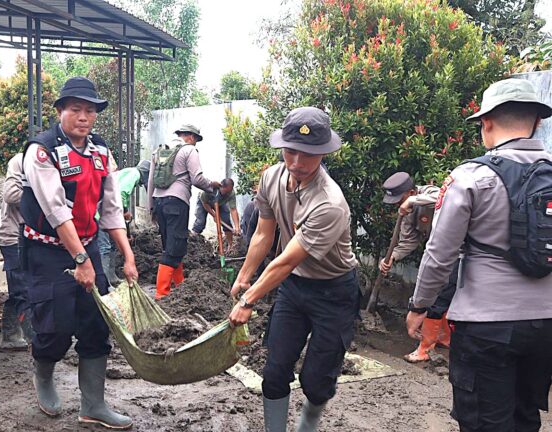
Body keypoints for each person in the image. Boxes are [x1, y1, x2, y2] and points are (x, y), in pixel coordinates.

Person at [407, 78, 552, 432]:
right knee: (525, 417)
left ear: (486, 123)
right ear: (536, 122)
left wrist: (420, 306)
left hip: (486, 325)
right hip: (547, 325)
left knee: (485, 422)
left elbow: (440, 253)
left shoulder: (471, 177)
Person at [228, 107, 360, 432]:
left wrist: (249, 301)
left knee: (316, 381)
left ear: (324, 153)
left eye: (309, 155)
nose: (297, 163)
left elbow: (287, 260)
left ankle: (308, 426)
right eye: (290, 152)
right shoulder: (271, 177)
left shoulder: (329, 203)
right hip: (294, 289)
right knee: (273, 373)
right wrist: (245, 276)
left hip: (335, 292)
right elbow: (263, 233)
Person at [20, 77, 138, 430]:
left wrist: (127, 257)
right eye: (75, 109)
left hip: (86, 245)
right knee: (55, 327)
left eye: (89, 111)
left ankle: (94, 405)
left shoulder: (101, 152)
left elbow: (112, 209)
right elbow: (56, 212)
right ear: (60, 111)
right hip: (47, 252)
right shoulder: (42, 151)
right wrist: (82, 261)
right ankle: (43, 376)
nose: (83, 117)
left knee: (95, 322)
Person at [379, 172, 454, 363]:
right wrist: (392, 257)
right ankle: (444, 338)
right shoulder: (408, 214)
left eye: (400, 199)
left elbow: (445, 196)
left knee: (439, 296)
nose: (398, 205)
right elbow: (408, 241)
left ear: (412, 191)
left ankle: (424, 349)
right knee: (443, 296)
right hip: (440, 254)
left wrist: (413, 200)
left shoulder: (428, 193)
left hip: (460, 251)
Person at [147, 125, 220, 299]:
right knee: (174, 247)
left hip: (159, 202)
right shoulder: (189, 150)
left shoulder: (159, 151)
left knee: (171, 246)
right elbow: (197, 178)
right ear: (192, 137)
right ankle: (161, 294)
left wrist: (151, 207)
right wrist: (212, 186)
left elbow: (151, 181)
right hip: (177, 203)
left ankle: (179, 286)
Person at [0, 153, 33, 351]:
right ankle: (34, 341)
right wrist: (42, 194)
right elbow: (10, 195)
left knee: (23, 288)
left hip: (34, 237)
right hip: (14, 237)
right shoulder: (21, 161)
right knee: (22, 290)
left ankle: (12, 335)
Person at [98, 159, 151, 285]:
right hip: (103, 213)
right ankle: (103, 284)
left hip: (109, 213)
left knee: (111, 245)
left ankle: (111, 278)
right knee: (104, 247)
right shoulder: (134, 174)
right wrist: (125, 211)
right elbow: (121, 194)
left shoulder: (128, 172)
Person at [191, 178, 241, 252]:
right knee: (200, 222)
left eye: (229, 192)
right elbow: (205, 204)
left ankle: (230, 247)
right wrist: (214, 215)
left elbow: (233, 210)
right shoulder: (209, 190)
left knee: (226, 222)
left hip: (220, 203)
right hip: (205, 202)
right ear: (221, 187)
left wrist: (237, 227)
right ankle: (193, 244)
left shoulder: (231, 193)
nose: (228, 193)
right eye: (226, 191)